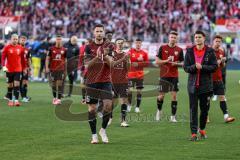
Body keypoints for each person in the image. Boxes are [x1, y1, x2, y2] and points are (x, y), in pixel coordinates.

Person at [183, 30, 217, 141]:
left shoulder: (210, 51)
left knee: (204, 110)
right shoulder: (189, 51)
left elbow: (214, 67)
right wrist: (194, 67)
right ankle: (193, 133)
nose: (197, 39)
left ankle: (202, 129)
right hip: (192, 86)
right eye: (196, 37)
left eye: (199, 37)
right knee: (193, 109)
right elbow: (186, 68)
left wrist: (202, 67)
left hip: (206, 86)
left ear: (204, 38)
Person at [84, 24, 114, 144]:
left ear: (104, 32)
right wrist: (97, 57)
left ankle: (103, 130)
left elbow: (112, 64)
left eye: (101, 31)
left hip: (105, 81)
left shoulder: (110, 46)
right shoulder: (88, 47)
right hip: (91, 82)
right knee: (92, 109)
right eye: (97, 31)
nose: (99, 33)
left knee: (108, 106)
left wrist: (105, 56)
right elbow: (87, 65)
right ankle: (94, 135)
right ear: (94, 33)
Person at [155, 31, 184, 122]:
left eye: (174, 38)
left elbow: (183, 63)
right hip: (164, 75)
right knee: (161, 96)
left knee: (174, 96)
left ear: (177, 39)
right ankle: (159, 111)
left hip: (174, 76)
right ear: (169, 38)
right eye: (171, 37)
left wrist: (176, 63)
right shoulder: (162, 48)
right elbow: (157, 62)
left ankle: (173, 116)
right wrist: (166, 61)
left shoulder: (179, 50)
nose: (173, 39)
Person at [211, 35, 235, 123]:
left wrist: (223, 61)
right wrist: (216, 62)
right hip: (209, 80)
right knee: (206, 99)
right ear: (213, 41)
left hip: (219, 78)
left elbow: (222, 66)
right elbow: (207, 65)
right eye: (216, 41)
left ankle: (226, 117)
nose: (217, 43)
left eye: (219, 42)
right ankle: (205, 117)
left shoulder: (221, 51)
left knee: (222, 97)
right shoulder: (209, 51)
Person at [1, 34, 27, 106]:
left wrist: (24, 68)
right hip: (9, 69)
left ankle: (16, 100)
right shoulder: (7, 48)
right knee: (10, 85)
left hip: (18, 69)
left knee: (17, 84)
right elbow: (3, 58)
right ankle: (10, 100)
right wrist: (3, 66)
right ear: (11, 39)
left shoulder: (20, 48)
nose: (15, 40)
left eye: (16, 39)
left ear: (17, 40)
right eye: (14, 39)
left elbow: (22, 60)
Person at [111, 38, 130, 127]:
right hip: (112, 81)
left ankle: (123, 121)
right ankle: (109, 118)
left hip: (123, 81)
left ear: (123, 44)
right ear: (115, 44)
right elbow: (110, 65)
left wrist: (128, 60)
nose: (120, 44)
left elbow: (128, 68)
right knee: (112, 101)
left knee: (124, 100)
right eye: (118, 43)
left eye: (121, 43)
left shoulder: (126, 55)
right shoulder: (111, 54)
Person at [127, 38, 149, 113]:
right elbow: (127, 61)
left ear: (141, 44)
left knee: (139, 92)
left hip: (140, 76)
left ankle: (137, 107)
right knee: (129, 91)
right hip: (131, 75)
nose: (138, 44)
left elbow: (147, 63)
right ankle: (129, 105)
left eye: (139, 43)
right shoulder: (130, 51)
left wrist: (139, 63)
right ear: (135, 44)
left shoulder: (144, 53)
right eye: (137, 43)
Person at [45, 35, 67, 105]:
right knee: (54, 85)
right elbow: (47, 59)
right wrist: (46, 68)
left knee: (60, 84)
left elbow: (66, 60)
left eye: (60, 39)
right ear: (55, 40)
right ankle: (54, 98)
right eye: (57, 39)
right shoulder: (51, 49)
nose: (58, 40)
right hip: (52, 69)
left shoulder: (64, 50)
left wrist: (66, 69)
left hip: (61, 69)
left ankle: (59, 99)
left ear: (61, 40)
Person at [19, 35, 32, 102]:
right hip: (17, 68)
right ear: (19, 40)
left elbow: (29, 60)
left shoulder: (27, 49)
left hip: (25, 69)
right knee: (18, 83)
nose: (23, 41)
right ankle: (15, 96)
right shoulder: (17, 48)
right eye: (22, 40)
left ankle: (24, 97)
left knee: (25, 82)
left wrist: (30, 69)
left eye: (24, 40)